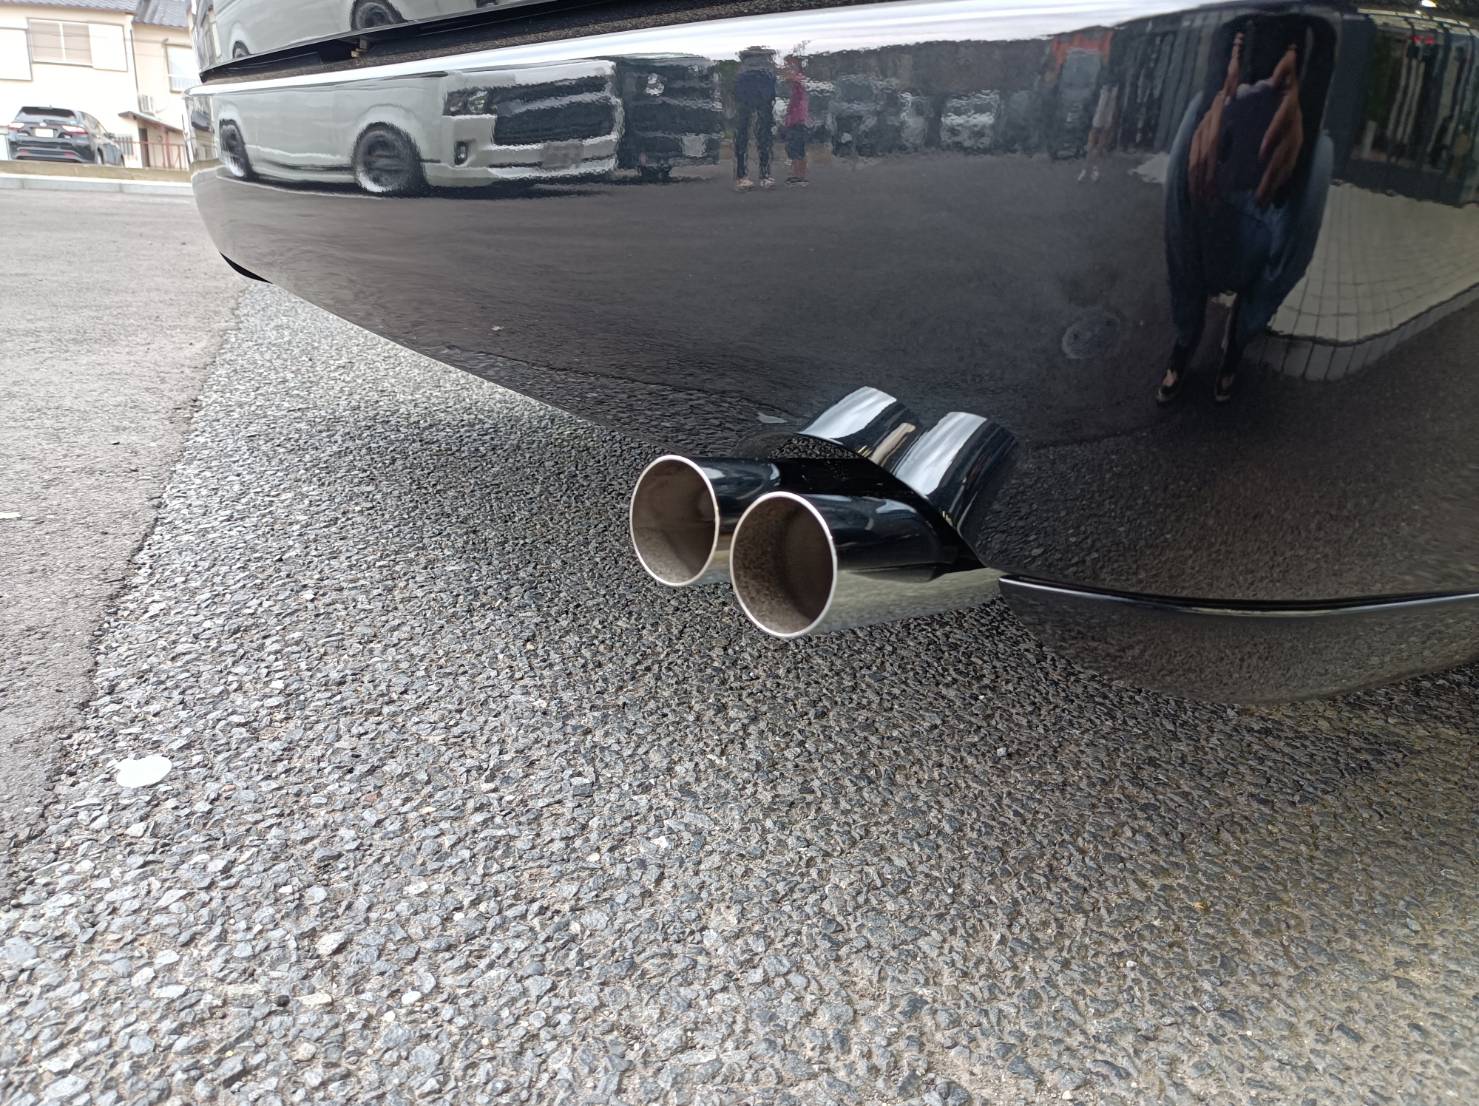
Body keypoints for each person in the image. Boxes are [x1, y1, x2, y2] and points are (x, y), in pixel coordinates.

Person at [1157, 19, 1334, 404]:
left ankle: (1239, 335)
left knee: (1318, 168)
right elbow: (1224, 35)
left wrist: (1301, 99)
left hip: (1290, 130)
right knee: (1181, 178)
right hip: (1228, 108)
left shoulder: (1320, 29)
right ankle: (1187, 334)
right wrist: (1217, 99)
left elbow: (1324, 51)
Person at [733, 47, 777, 191]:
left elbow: (737, 94)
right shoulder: (767, 72)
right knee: (762, 137)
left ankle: (743, 176)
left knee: (745, 137)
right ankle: (763, 175)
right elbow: (771, 95)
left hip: (750, 105)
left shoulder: (743, 73)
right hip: (758, 105)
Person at [782, 55, 810, 185]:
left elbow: (792, 79)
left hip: (798, 119)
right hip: (793, 118)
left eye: (791, 65)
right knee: (792, 147)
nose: (788, 68)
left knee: (797, 147)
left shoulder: (800, 80)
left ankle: (800, 175)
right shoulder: (796, 84)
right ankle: (796, 174)